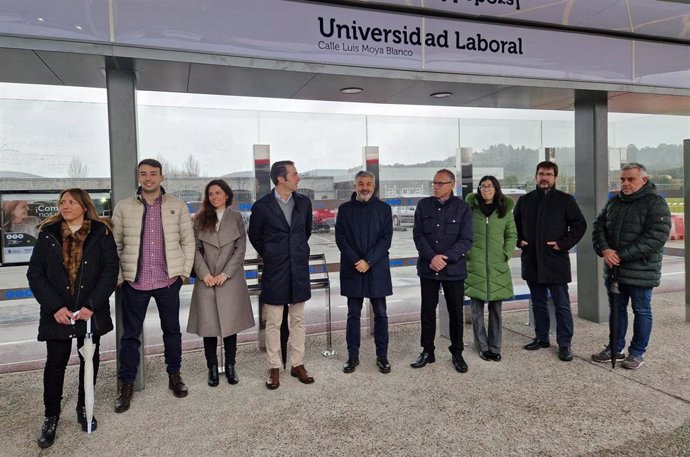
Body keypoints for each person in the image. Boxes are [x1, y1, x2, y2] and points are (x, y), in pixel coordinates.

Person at [27, 189, 118, 448]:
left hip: (90, 311)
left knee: (89, 360)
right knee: (55, 363)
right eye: (62, 202)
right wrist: (55, 307)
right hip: (58, 313)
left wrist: (92, 305)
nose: (65, 205)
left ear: (84, 205)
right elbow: (35, 274)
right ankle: (51, 416)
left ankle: (83, 406)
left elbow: (110, 272)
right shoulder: (48, 234)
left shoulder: (102, 233)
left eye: (71, 202)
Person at [112, 158, 194, 413]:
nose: (148, 178)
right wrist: (120, 277)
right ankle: (125, 384)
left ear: (162, 177)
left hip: (168, 281)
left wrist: (183, 273)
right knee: (129, 336)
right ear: (139, 177)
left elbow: (188, 242)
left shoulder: (177, 205)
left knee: (172, 331)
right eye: (143, 174)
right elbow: (114, 245)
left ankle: (175, 374)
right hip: (134, 282)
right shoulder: (124, 207)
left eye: (153, 174)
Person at [591, 163, 671, 370]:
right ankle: (615, 348)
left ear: (644, 180)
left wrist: (620, 255)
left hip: (641, 271)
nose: (625, 183)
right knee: (616, 310)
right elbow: (598, 226)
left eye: (630, 179)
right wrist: (605, 250)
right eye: (622, 179)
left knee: (641, 310)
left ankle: (637, 353)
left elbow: (656, 237)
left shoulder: (655, 203)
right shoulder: (615, 202)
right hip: (614, 269)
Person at [248, 160, 314, 389]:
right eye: (295, 174)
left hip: (298, 269)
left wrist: (294, 251)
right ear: (281, 179)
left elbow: (305, 231)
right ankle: (274, 366)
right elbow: (255, 236)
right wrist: (272, 253)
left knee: (298, 319)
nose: (298, 178)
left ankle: (297, 364)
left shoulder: (304, 203)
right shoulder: (262, 206)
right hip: (275, 270)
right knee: (274, 321)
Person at [514, 161, 586, 362]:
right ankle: (542, 338)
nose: (544, 177)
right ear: (535, 176)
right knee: (538, 303)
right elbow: (513, 227)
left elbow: (579, 225)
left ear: (555, 177)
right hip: (532, 260)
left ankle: (565, 344)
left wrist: (563, 244)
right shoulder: (525, 200)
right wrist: (520, 241)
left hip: (555, 261)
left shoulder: (565, 200)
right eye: (541, 174)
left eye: (548, 174)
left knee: (562, 305)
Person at [187, 179, 255, 386]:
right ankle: (212, 368)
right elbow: (195, 249)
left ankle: (231, 366)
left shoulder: (236, 218)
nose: (214, 197)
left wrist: (225, 274)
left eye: (218, 193)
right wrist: (205, 274)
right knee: (208, 327)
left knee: (230, 326)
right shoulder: (199, 220)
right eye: (210, 194)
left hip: (230, 280)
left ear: (227, 194)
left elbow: (240, 249)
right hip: (206, 280)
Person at [410, 169, 472, 373]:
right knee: (427, 311)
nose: (435, 186)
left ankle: (457, 353)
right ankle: (428, 351)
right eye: (434, 183)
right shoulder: (423, 205)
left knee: (455, 312)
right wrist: (432, 257)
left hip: (453, 269)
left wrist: (444, 258)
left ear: (451, 184)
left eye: (440, 183)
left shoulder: (463, 208)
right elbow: (418, 235)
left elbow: (466, 239)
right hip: (429, 268)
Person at [335, 171, 393, 374]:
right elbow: (341, 239)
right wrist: (356, 261)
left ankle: (382, 356)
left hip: (376, 268)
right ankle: (353, 356)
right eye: (361, 184)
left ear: (374, 186)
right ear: (355, 186)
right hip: (353, 268)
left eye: (368, 184)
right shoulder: (344, 210)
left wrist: (368, 261)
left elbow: (386, 239)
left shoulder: (384, 209)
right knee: (353, 315)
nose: (365, 187)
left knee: (381, 314)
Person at [465, 176, 517, 362]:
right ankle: (482, 347)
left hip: (497, 266)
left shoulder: (505, 211)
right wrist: (469, 253)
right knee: (477, 311)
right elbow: (464, 233)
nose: (486, 189)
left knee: (496, 310)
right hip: (475, 265)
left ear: (496, 189)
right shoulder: (471, 209)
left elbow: (512, 235)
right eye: (482, 186)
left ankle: (495, 347)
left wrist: (506, 253)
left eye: (489, 186)